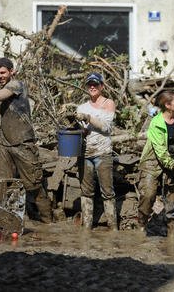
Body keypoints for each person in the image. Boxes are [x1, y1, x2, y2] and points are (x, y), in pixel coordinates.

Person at [0, 57, 52, 222]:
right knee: (4, 186)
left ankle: (49, 223)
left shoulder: (16, 85)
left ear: (12, 72)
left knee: (34, 186)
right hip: (5, 145)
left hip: (23, 143)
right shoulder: (0, 91)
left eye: (2, 72)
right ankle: (8, 223)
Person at [136, 91, 174, 240]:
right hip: (153, 161)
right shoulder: (156, 123)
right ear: (167, 105)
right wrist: (172, 164)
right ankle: (141, 224)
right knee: (148, 194)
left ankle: (172, 232)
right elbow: (160, 150)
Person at [73, 73, 117, 230]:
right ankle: (86, 228)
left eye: (95, 84)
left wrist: (87, 117)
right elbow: (83, 132)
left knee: (108, 192)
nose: (92, 87)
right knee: (86, 192)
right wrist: (73, 126)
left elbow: (105, 126)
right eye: (89, 84)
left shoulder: (108, 103)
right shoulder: (82, 107)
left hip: (103, 153)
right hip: (85, 153)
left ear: (102, 86)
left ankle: (113, 228)